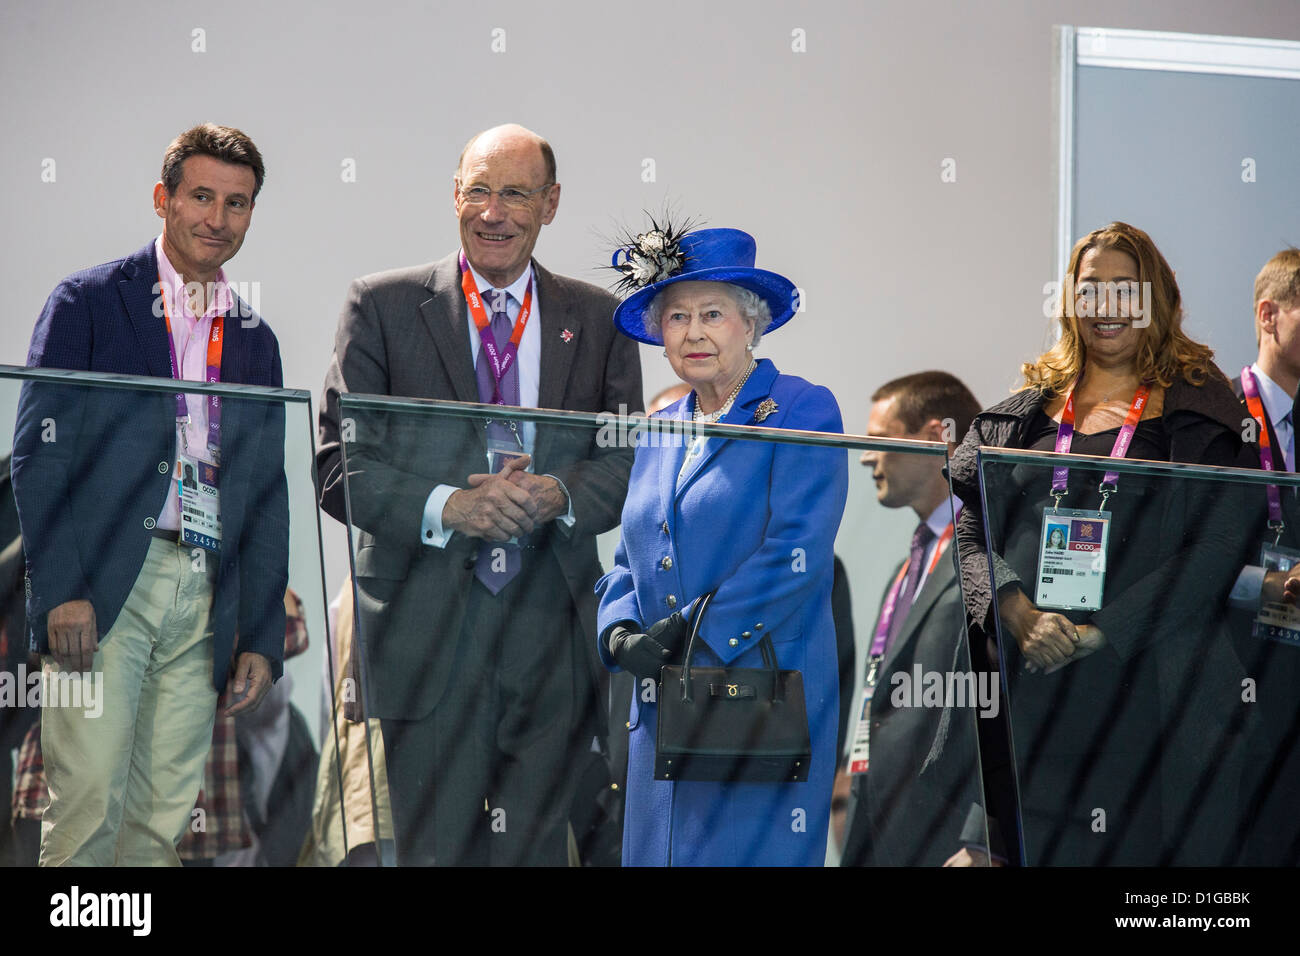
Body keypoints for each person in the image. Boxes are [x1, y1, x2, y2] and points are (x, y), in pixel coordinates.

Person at [316, 123, 643, 866]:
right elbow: (342, 467)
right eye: (478, 192)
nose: (493, 212)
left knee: (531, 853)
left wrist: (559, 493)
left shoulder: (599, 319)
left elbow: (622, 463)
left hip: (551, 630)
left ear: (551, 204)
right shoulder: (383, 305)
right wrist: (450, 506)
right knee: (435, 854)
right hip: (424, 628)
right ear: (455, 197)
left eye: (516, 194)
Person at [12, 123, 288, 866]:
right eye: (201, 196)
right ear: (162, 200)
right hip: (103, 588)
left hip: (203, 588)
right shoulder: (89, 301)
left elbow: (266, 490)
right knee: (87, 805)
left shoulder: (255, 336)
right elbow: (36, 457)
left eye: (237, 204)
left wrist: (260, 631)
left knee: (161, 823)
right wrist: (61, 588)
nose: (217, 219)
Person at [948, 221, 1258, 865]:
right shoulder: (1026, 410)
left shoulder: (1205, 408)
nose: (1106, 307)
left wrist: (1103, 632)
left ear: (1157, 300)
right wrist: (1018, 613)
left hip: (1147, 700)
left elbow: (1219, 546)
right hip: (1029, 688)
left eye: (1126, 290)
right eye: (1091, 290)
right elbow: (971, 526)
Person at [595, 224, 848, 866]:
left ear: (751, 325)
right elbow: (630, 555)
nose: (693, 332)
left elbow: (797, 552)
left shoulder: (801, 409)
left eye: (713, 314)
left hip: (758, 703)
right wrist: (619, 630)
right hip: (663, 706)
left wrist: (694, 632)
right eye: (676, 317)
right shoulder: (658, 427)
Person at [840, 371, 993, 866]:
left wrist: (984, 838)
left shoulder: (996, 551)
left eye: (879, 440)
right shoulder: (908, 568)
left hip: (952, 839)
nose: (865, 456)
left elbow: (1007, 708)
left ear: (936, 437)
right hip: (884, 831)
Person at [1225, 247, 1300, 863]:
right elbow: (1176, 555)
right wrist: (1264, 585)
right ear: (1270, 315)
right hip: (1233, 692)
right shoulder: (1214, 420)